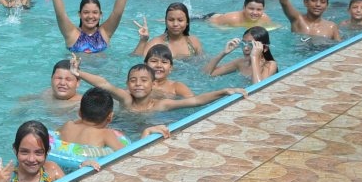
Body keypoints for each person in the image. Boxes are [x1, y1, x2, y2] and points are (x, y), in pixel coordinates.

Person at [73, 60, 243, 113]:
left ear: (153, 84)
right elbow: (104, 84)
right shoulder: (126, 100)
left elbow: (195, 101)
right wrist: (79, 72)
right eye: (133, 80)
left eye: (143, 80)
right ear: (127, 84)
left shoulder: (162, 105)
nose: (138, 84)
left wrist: (223, 91)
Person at [55, 88, 170, 159]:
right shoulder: (105, 134)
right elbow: (129, 155)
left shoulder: (68, 126)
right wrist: (146, 132)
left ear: (79, 113)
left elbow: (55, 135)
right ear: (110, 117)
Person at [205, 27, 279, 82]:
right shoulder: (241, 63)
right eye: (243, 43)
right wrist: (223, 53)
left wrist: (254, 57)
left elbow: (258, 88)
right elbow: (207, 74)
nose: (245, 48)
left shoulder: (270, 65)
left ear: (265, 48)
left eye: (251, 44)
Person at [133, 2, 204, 57]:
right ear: (165, 21)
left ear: (187, 22)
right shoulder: (157, 43)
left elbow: (203, 62)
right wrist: (143, 40)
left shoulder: (193, 42)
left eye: (180, 20)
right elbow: (136, 59)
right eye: (171, 20)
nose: (175, 24)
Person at [207, 0, 279, 29]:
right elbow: (211, 22)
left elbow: (273, 26)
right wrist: (221, 27)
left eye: (259, 9)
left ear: (263, 9)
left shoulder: (264, 18)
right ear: (244, 7)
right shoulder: (232, 19)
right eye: (251, 9)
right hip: (212, 17)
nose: (255, 12)